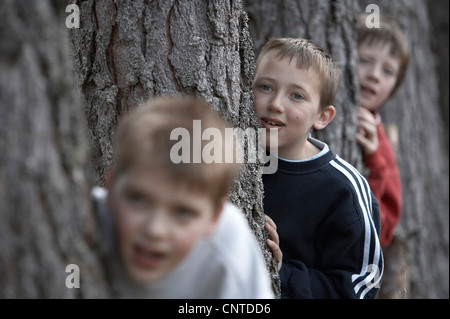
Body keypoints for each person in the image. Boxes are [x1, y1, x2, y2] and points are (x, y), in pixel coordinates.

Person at [92, 95, 275, 299]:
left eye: (183, 212)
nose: (155, 230)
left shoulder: (228, 250)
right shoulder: (83, 222)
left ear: (214, 218)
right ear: (111, 189)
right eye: (138, 199)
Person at [253, 37, 383, 298]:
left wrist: (280, 272)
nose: (276, 104)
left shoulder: (344, 189)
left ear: (322, 117)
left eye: (297, 95)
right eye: (265, 87)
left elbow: (360, 288)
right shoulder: (230, 156)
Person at [355, 14, 409, 298]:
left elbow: (383, 229)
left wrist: (375, 160)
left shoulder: (383, 146)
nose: (374, 74)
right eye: (364, 60)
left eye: (387, 71)